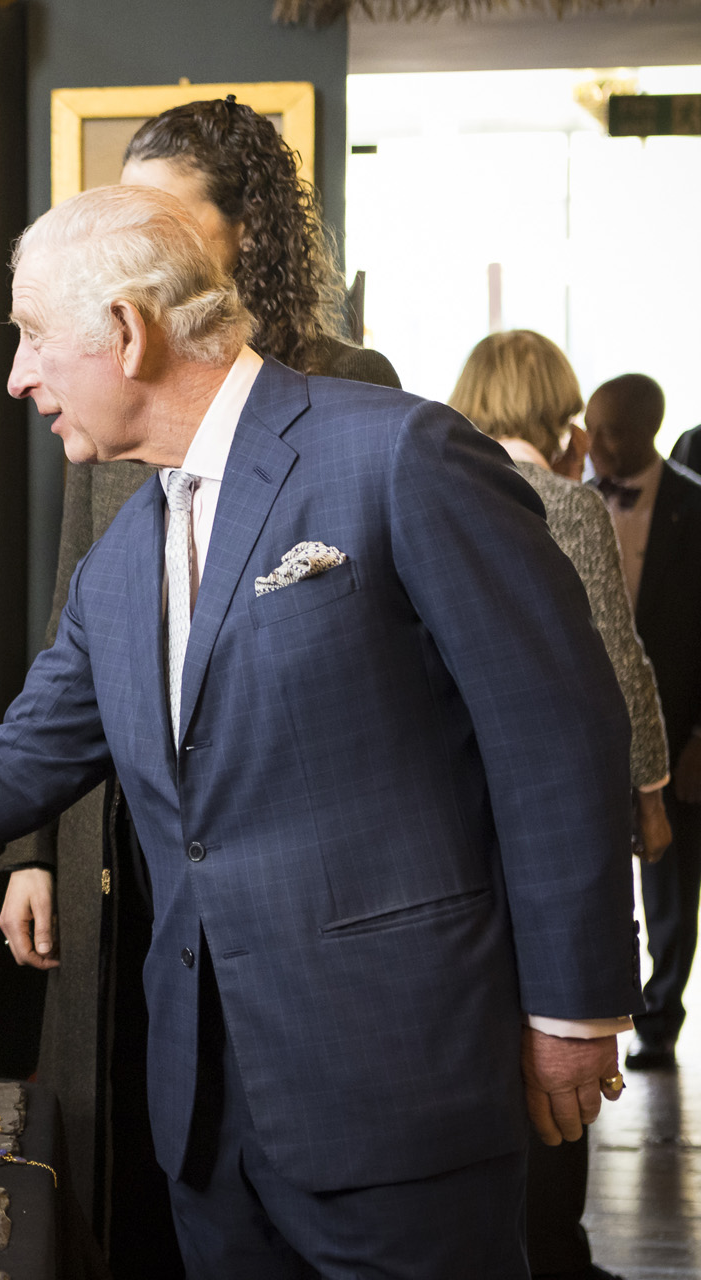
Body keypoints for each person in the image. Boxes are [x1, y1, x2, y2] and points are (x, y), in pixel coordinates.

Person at [0, 186, 638, 1276]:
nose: (17, 376)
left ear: (128, 331)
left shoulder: (401, 454)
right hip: (204, 1120)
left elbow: (556, 731)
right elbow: (19, 760)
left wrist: (574, 1007)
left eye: (34, 336)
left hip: (398, 1086)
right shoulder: (121, 560)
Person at [0, 94, 401, 1270]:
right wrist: (32, 851)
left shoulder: (354, 393)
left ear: (242, 237)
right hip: (110, 832)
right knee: (129, 1122)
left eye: (161, 214)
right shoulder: (97, 404)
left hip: (275, 862)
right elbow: (70, 647)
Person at [451, 330, 671, 1280]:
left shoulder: (434, 486)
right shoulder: (565, 503)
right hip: (553, 815)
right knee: (562, 1027)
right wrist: (651, 794)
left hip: (456, 820)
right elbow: (617, 667)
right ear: (556, 407)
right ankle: (553, 1251)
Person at [586, 374, 701, 1074]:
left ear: (648, 432)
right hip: (594, 724)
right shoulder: (570, 502)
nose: (594, 446)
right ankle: (594, 1012)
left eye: (610, 434)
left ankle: (659, 1021)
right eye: (591, 429)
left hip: (678, 729)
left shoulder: (695, 505)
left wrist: (698, 740)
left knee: (672, 884)